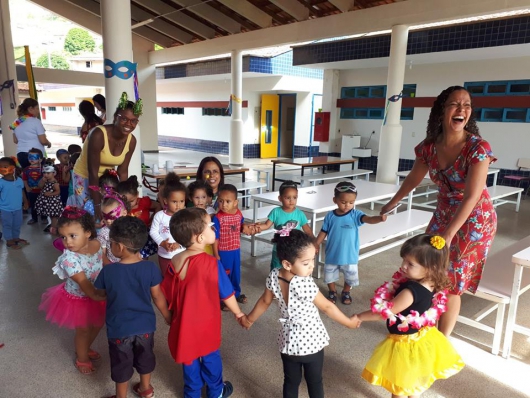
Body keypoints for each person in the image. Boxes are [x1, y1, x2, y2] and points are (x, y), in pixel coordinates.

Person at [380, 86, 497, 337]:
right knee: (428, 269)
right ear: (442, 111)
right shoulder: (429, 147)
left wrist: (449, 234)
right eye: (455, 104)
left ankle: (440, 343)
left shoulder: (477, 148)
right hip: (444, 213)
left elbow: (472, 196)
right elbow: (414, 177)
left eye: (467, 105)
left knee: (452, 281)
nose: (462, 109)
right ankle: (425, 322)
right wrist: (393, 202)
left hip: (474, 220)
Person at [241, 229, 361, 398]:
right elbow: (327, 307)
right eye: (306, 263)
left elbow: (264, 301)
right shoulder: (304, 283)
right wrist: (348, 322)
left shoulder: (274, 275)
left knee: (290, 381)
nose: (312, 266)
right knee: (315, 382)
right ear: (287, 264)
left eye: (313, 260)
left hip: (288, 341)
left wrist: (249, 319)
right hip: (310, 341)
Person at [357, 234, 465, 397]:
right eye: (404, 260)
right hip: (422, 339)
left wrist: (359, 317)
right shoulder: (431, 282)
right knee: (413, 382)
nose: (403, 266)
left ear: (430, 268)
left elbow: (384, 313)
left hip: (405, 345)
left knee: (399, 387)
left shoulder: (409, 292)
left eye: (410, 264)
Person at [162, 207, 244, 398]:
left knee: (189, 358)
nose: (214, 230)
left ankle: (192, 394)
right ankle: (216, 391)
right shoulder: (211, 263)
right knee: (210, 357)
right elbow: (227, 294)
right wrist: (238, 313)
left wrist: (169, 315)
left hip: (183, 323)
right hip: (206, 323)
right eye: (211, 226)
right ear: (200, 238)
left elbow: (169, 292)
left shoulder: (174, 260)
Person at [95, 217, 171, 398]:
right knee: (145, 357)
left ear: (119, 247)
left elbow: (100, 294)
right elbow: (157, 295)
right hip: (146, 327)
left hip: (119, 330)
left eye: (111, 242)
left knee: (122, 363)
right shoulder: (150, 268)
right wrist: (167, 316)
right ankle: (146, 389)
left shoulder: (108, 271)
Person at [38, 207, 106, 374]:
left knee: (98, 324)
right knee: (83, 330)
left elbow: (107, 264)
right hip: (80, 298)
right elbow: (83, 282)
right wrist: (101, 295)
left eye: (72, 236)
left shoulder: (97, 245)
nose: (67, 242)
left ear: (88, 233)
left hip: (98, 292)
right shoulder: (69, 258)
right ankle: (82, 358)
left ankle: (84, 348)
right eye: (63, 237)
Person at [69, 92, 139, 222]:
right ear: (115, 118)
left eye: (133, 120)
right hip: (84, 175)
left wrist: (122, 199)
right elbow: (92, 172)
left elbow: (122, 171)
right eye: (124, 118)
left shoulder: (132, 141)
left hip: (107, 179)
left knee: (109, 214)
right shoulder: (98, 134)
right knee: (88, 214)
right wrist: (97, 204)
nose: (128, 124)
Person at [315, 182, 387, 305]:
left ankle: (346, 291)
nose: (347, 205)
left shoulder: (356, 215)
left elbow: (368, 219)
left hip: (350, 255)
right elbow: (323, 231)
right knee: (329, 274)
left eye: (351, 202)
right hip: (332, 253)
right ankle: (332, 291)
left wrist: (379, 219)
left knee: (350, 275)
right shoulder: (330, 216)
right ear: (335, 200)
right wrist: (316, 244)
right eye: (343, 202)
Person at [255, 181, 315, 270]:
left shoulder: (300, 214)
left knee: (292, 270)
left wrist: (314, 243)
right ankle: (275, 283)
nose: (291, 201)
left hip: (294, 250)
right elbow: (266, 225)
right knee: (276, 269)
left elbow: (308, 231)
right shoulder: (276, 212)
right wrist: (256, 227)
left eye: (294, 197)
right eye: (287, 198)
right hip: (278, 248)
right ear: (280, 198)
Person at [212, 184, 255, 307]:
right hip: (223, 252)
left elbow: (241, 224)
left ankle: (236, 294)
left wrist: (246, 226)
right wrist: (216, 255)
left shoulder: (238, 214)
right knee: (224, 275)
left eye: (228, 201)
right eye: (220, 201)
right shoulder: (218, 218)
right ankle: (223, 298)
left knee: (236, 273)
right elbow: (215, 239)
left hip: (236, 250)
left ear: (235, 202)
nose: (224, 204)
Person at [150, 172, 186, 276]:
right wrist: (162, 243)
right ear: (165, 201)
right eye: (174, 201)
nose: (178, 205)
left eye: (182, 201)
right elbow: (153, 231)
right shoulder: (159, 216)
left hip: (181, 254)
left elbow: (188, 234)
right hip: (164, 256)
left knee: (181, 278)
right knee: (167, 279)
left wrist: (178, 244)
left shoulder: (185, 216)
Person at [9, 98, 51, 169]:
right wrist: (49, 143)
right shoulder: (36, 121)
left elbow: (15, 140)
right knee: (37, 177)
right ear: (30, 109)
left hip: (21, 154)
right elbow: (43, 141)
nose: (38, 111)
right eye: (37, 109)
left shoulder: (17, 121)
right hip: (35, 155)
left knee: (26, 176)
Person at [0, 157, 29, 249]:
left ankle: (16, 238)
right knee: (7, 225)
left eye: (5, 166)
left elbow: (22, 192)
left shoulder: (19, 180)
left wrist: (25, 202)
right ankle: (9, 241)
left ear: (13, 168)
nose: (2, 169)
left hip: (18, 208)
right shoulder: (1, 182)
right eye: (0, 167)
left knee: (17, 224)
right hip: (5, 209)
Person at [97, 192, 130, 265]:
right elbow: (102, 255)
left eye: (112, 217)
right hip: (112, 265)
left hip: (131, 265)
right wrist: (111, 269)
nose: (108, 221)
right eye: (105, 217)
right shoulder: (104, 232)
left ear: (124, 213)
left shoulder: (131, 228)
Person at [35, 165, 63, 235]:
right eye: (44, 173)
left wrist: (50, 194)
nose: (46, 175)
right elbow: (40, 186)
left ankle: (54, 228)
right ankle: (53, 227)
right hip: (46, 201)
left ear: (54, 173)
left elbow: (58, 191)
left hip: (53, 202)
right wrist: (42, 180)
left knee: (54, 216)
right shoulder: (45, 180)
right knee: (51, 215)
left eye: (48, 173)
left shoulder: (55, 183)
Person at [21, 148, 44, 225]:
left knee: (43, 204)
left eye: (34, 157)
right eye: (30, 157)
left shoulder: (43, 169)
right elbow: (24, 179)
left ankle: (44, 217)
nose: (31, 159)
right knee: (33, 204)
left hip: (42, 191)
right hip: (31, 191)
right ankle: (34, 218)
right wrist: (27, 187)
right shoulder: (26, 169)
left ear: (40, 159)